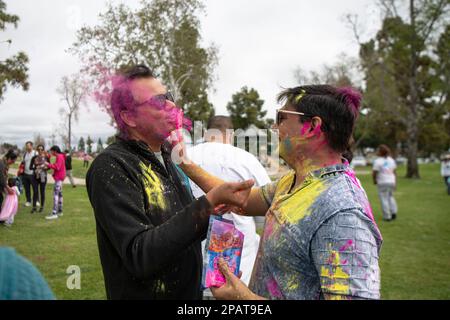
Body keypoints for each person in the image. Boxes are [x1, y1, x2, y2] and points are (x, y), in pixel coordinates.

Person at [177, 85, 383, 300]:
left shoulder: (343, 213)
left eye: (282, 117)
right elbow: (244, 200)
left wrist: (244, 299)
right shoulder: (296, 181)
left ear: (312, 127)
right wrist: (184, 162)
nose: (275, 127)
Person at [85, 64, 254, 300]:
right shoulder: (111, 166)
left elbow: (177, 229)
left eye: (169, 97)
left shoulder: (169, 157)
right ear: (129, 117)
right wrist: (206, 205)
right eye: (158, 101)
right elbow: (140, 255)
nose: (172, 106)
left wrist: (212, 211)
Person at [187, 115, 271, 295]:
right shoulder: (248, 160)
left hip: (189, 267)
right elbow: (266, 217)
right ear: (231, 134)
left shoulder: (185, 158)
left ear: (206, 133)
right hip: (238, 275)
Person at [372, 145, 398, 221]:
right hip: (391, 181)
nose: (377, 152)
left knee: (384, 198)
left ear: (380, 152)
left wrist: (374, 180)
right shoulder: (391, 160)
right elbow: (394, 172)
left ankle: (387, 216)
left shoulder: (378, 161)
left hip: (383, 182)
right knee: (390, 196)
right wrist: (395, 182)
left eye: (378, 150)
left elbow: (374, 172)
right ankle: (394, 212)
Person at [44, 146, 66, 220]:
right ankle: (60, 211)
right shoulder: (60, 156)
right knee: (60, 194)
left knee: (55, 195)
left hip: (59, 178)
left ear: (55, 151)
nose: (51, 153)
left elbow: (57, 167)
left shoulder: (59, 156)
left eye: (51, 151)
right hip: (60, 178)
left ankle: (54, 213)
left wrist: (48, 164)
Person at [30, 145, 50, 213]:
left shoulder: (46, 158)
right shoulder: (34, 158)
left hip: (43, 176)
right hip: (35, 176)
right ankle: (34, 207)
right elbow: (30, 167)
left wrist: (45, 168)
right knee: (35, 191)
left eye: (41, 149)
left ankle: (42, 207)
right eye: (39, 149)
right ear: (37, 150)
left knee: (42, 191)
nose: (40, 151)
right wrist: (36, 168)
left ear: (43, 150)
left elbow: (49, 166)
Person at [22, 141, 38, 207]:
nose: (27, 147)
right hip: (25, 174)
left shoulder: (35, 153)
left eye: (28, 145)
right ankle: (28, 201)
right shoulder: (25, 154)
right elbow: (23, 162)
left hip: (33, 174)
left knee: (35, 188)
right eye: (26, 146)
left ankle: (36, 200)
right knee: (27, 188)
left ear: (31, 146)